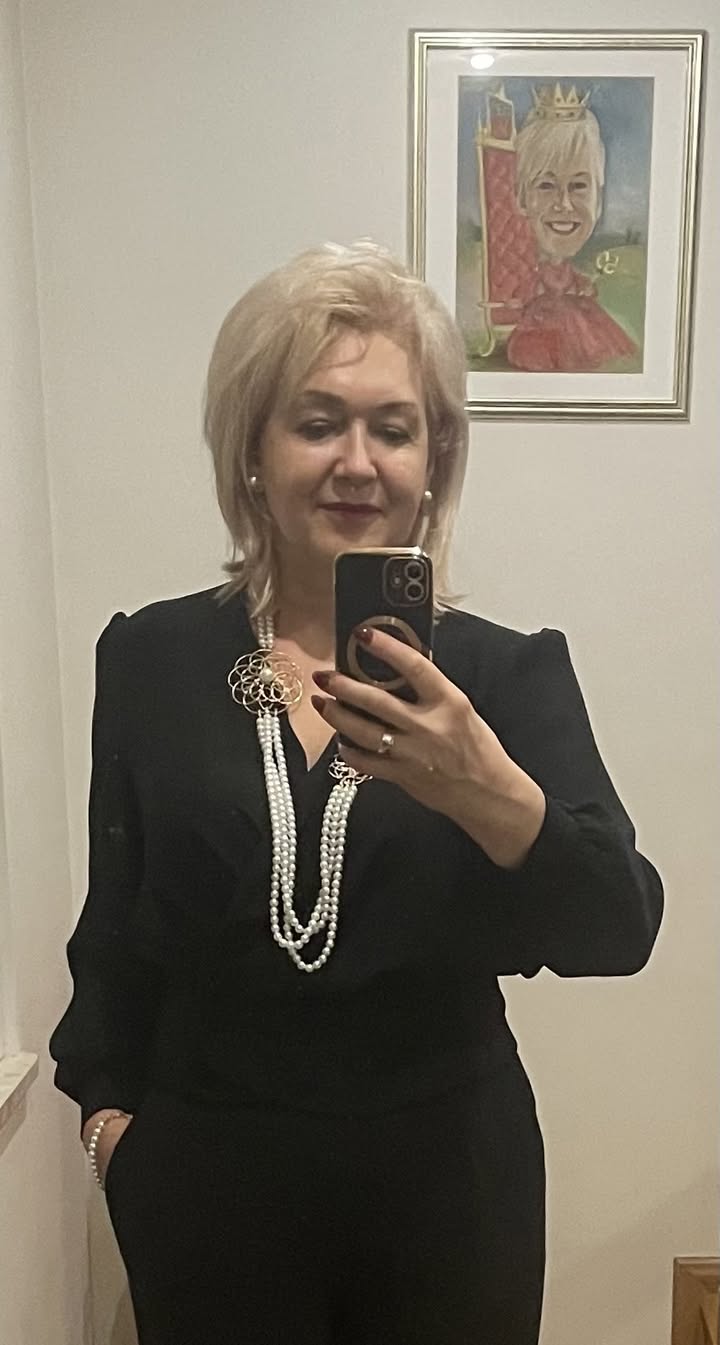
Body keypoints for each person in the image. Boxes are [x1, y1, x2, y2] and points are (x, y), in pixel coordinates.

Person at [50, 240, 663, 1345]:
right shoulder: (150, 659)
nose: (357, 462)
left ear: (435, 458)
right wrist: (110, 1132)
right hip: (207, 1194)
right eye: (317, 422)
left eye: (393, 428)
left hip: (450, 1194)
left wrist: (487, 789)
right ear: (253, 449)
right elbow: (118, 933)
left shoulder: (505, 674)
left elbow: (620, 925)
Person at [507, 84, 638, 372]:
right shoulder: (528, 270)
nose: (564, 204)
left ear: (599, 200)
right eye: (546, 185)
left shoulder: (573, 273)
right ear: (521, 197)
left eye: (579, 186)